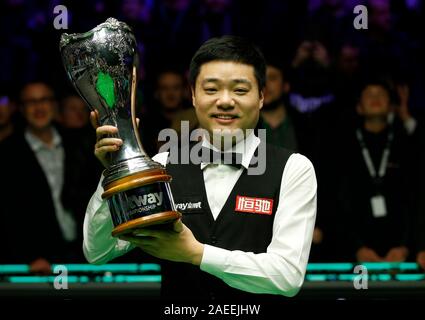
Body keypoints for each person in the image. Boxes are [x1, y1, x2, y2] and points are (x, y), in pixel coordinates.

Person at [84, 36, 317, 300]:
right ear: (193, 96)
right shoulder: (161, 166)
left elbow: (287, 276)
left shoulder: (293, 169)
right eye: (211, 89)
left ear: (261, 97)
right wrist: (114, 174)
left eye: (240, 90)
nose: (226, 101)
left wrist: (196, 253)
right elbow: (98, 253)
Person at [0, 81, 98, 271]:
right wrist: (29, 256)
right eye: (31, 102)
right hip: (38, 259)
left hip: (85, 252)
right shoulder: (7, 154)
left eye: (44, 99)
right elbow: (7, 213)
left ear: (54, 106)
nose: (39, 107)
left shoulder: (79, 145)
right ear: (21, 109)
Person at [338, 79, 415, 262]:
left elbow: (415, 199)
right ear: (359, 107)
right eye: (369, 94)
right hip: (357, 249)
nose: (375, 98)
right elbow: (340, 200)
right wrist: (356, 248)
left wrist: (405, 247)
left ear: (391, 107)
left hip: (401, 248)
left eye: (381, 94)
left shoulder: (405, 143)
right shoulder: (345, 145)